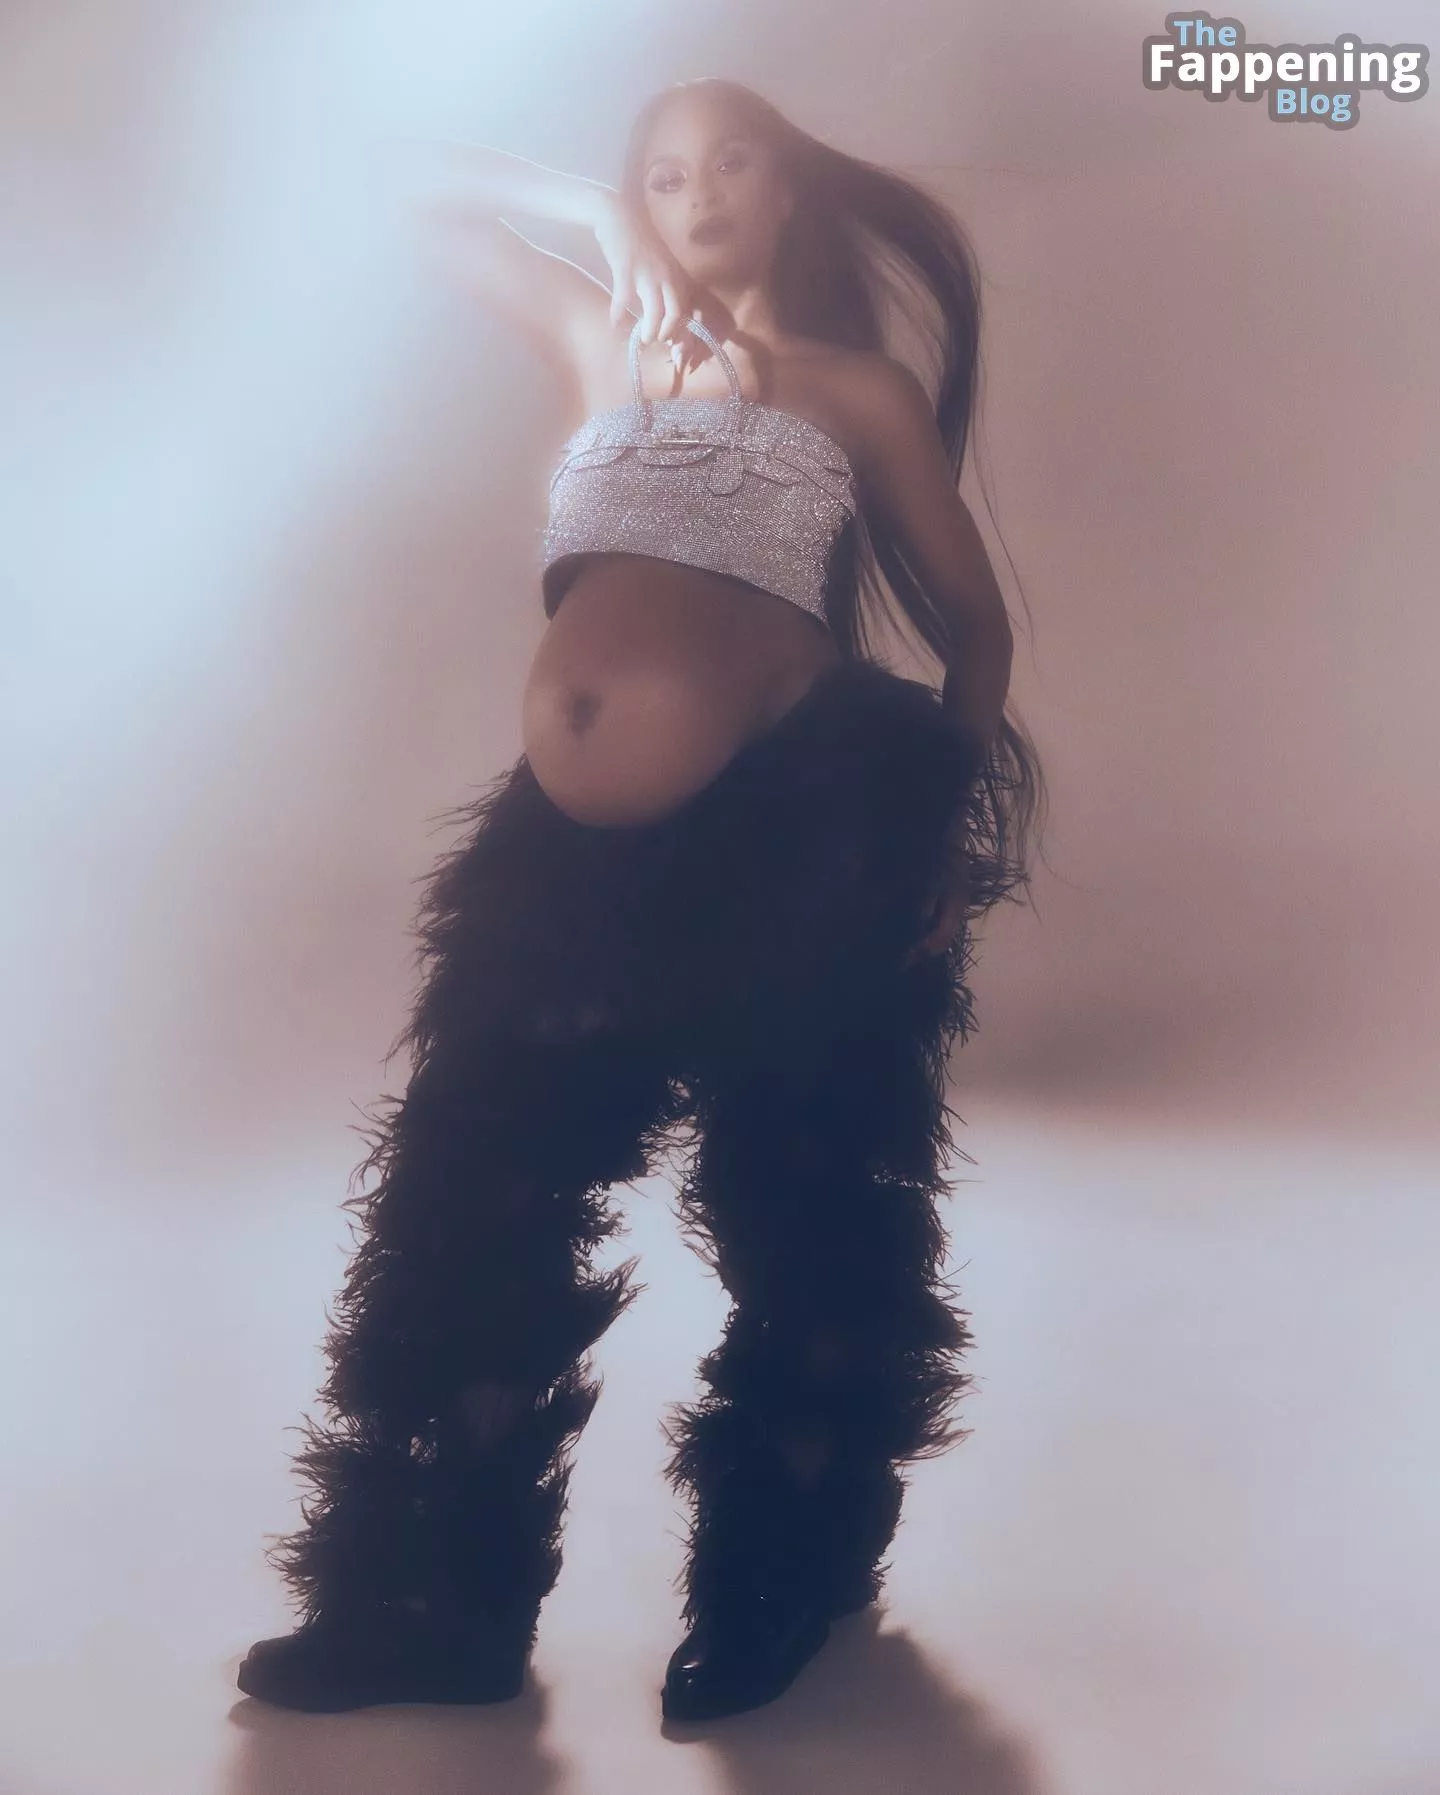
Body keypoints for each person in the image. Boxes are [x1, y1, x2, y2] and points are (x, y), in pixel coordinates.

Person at [236, 76, 1047, 1726]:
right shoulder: (595, 335)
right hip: (569, 843)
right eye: (664, 173)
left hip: (805, 803)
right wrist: (592, 216)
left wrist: (936, 837)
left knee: (808, 1189)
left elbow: (978, 627)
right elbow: (393, 178)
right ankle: (438, 1604)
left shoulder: (851, 390)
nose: (699, 192)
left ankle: (782, 1569)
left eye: (732, 160)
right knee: (476, 1193)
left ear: (789, 190)